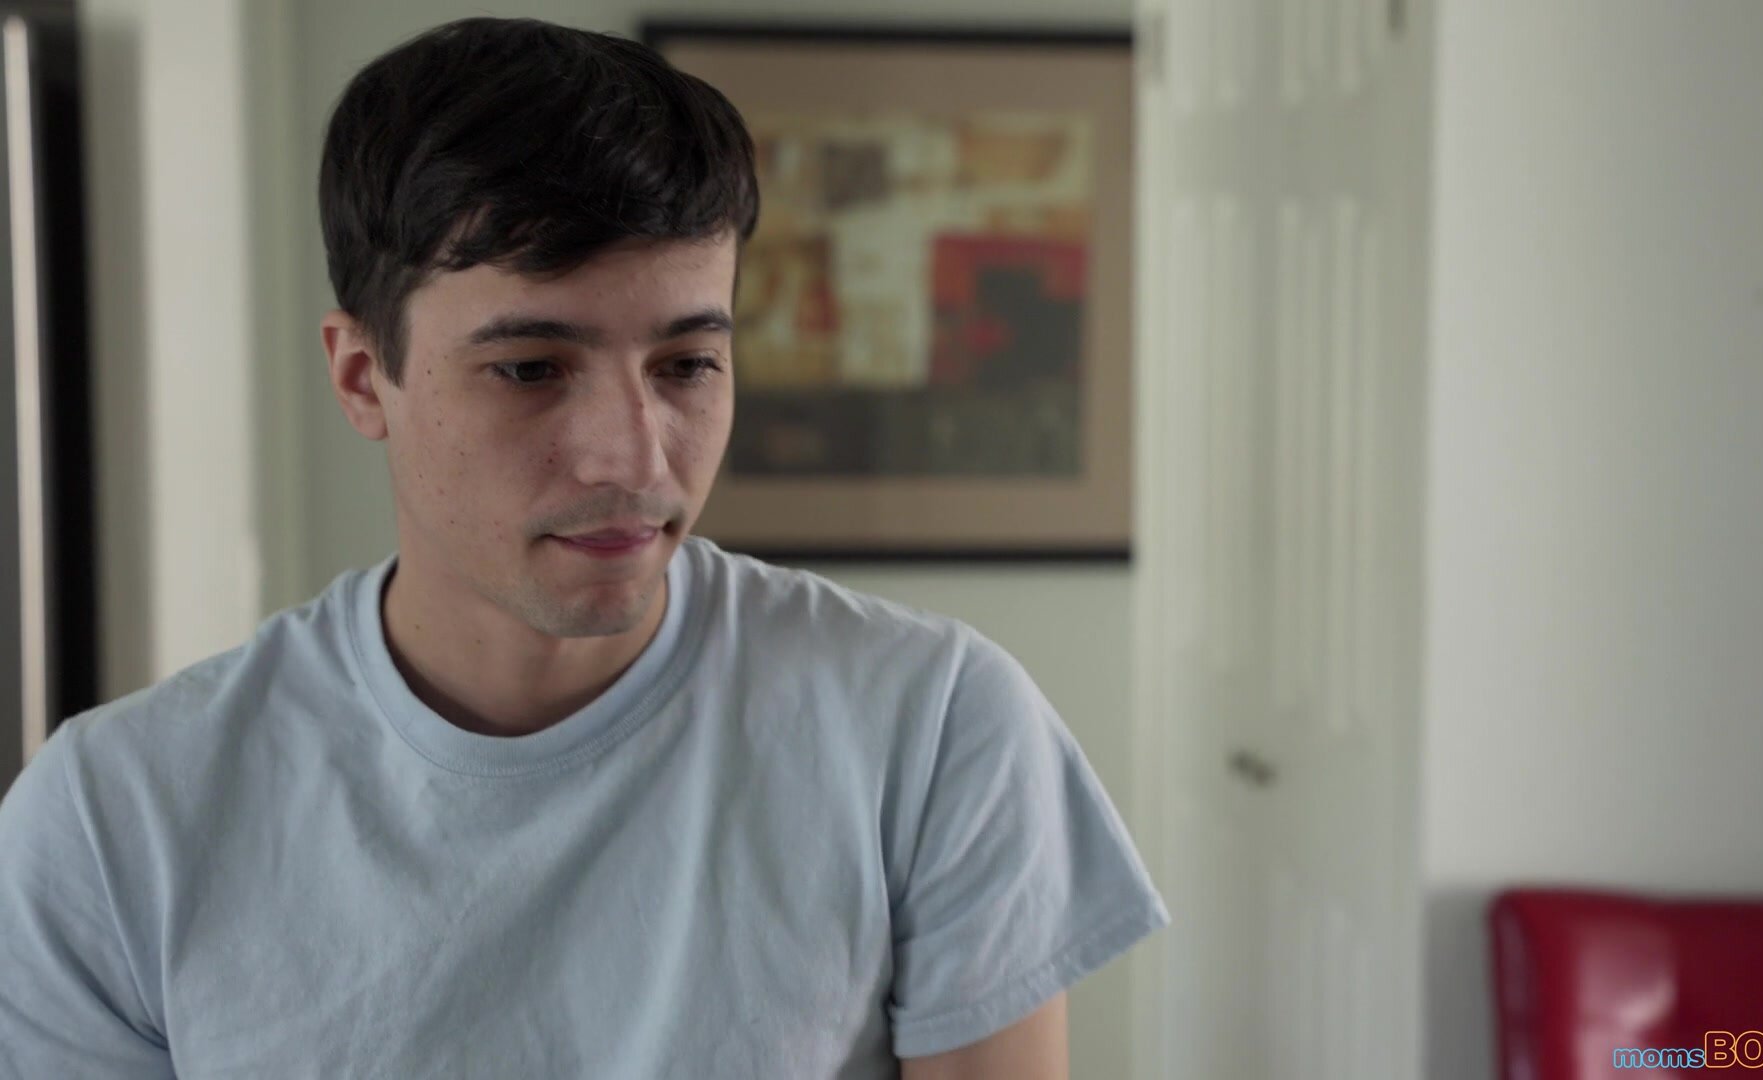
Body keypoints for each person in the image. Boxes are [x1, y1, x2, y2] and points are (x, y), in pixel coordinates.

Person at [0, 16, 1167, 1078]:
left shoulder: (934, 726)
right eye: (530, 369)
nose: (633, 455)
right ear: (363, 377)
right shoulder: (116, 819)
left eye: (687, 365)